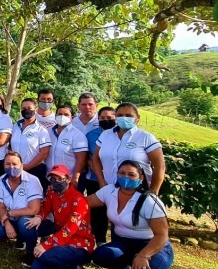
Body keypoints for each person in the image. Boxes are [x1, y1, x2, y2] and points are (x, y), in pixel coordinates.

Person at [88, 160, 174, 269]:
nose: (125, 177)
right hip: (123, 243)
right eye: (122, 173)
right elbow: (84, 203)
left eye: (131, 174)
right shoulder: (110, 191)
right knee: (100, 256)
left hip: (151, 245)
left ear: (141, 178)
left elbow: (161, 235)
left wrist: (144, 255)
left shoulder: (149, 200)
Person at [24, 164, 95, 269]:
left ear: (68, 179)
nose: (55, 182)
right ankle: (58, 259)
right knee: (37, 268)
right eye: (52, 179)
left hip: (79, 243)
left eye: (59, 178)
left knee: (44, 254)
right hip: (60, 238)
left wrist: (45, 245)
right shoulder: (52, 192)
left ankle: (78, 268)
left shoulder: (79, 201)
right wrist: (39, 217)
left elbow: (68, 231)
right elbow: (45, 208)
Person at [92, 102, 165, 194]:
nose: (124, 118)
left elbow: (160, 166)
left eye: (128, 115)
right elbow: (95, 159)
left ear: (137, 118)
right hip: (109, 190)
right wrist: (102, 182)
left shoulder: (146, 137)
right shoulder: (105, 135)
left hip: (138, 191)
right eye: (120, 115)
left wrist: (153, 192)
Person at [0, 152, 43, 262]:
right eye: (8, 164)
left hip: (30, 218)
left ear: (22, 165)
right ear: (3, 166)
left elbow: (34, 209)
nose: (11, 167)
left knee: (25, 223)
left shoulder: (32, 180)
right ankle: (20, 238)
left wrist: (9, 213)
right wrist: (6, 223)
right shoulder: (1, 180)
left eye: (15, 164)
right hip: (11, 218)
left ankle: (31, 251)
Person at [84, 106, 116, 244]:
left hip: (116, 180)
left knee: (116, 211)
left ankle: (117, 242)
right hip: (95, 179)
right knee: (98, 212)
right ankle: (100, 240)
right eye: (103, 118)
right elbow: (87, 156)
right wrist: (95, 168)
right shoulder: (91, 135)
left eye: (109, 118)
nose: (106, 120)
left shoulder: (120, 135)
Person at [10, 98, 52, 190]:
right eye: (23, 108)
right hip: (15, 170)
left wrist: (28, 166)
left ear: (36, 109)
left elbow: (44, 152)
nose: (26, 110)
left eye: (29, 108)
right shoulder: (15, 127)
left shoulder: (41, 129)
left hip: (35, 170)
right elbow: (10, 146)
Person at [45, 105, 88, 188]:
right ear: (55, 116)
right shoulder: (47, 132)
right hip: (49, 178)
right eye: (60, 114)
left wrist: (75, 178)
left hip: (67, 179)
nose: (62, 117)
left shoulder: (77, 135)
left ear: (72, 118)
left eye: (66, 115)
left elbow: (81, 159)